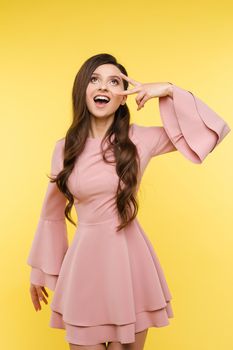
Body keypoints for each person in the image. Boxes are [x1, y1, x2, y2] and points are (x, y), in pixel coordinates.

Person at [26, 53, 231, 350]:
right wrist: (42, 271)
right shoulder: (64, 148)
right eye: (95, 79)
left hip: (130, 264)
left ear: (123, 98)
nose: (104, 87)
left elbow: (211, 132)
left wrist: (169, 90)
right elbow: (51, 214)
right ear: (83, 89)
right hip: (84, 267)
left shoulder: (140, 140)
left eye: (114, 82)